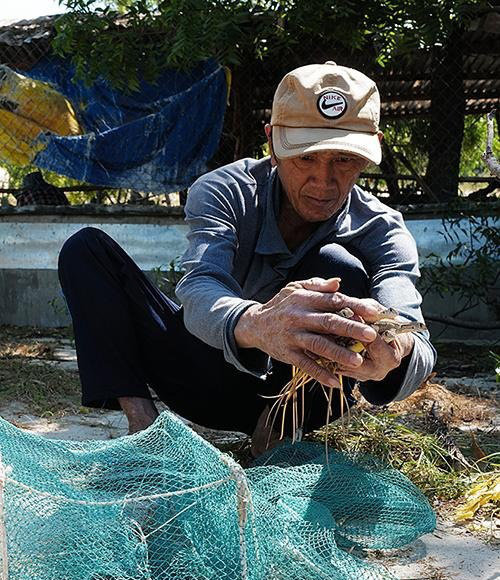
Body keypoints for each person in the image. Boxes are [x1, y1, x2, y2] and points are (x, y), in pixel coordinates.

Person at [58, 61, 436, 452]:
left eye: (343, 159)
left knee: (340, 265)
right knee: (84, 249)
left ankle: (274, 434)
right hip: (202, 373)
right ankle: (144, 429)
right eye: (305, 158)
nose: (323, 182)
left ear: (372, 147)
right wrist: (257, 324)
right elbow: (202, 285)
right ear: (272, 143)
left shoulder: (382, 227)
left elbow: (413, 330)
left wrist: (395, 352)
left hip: (305, 397)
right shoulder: (224, 190)